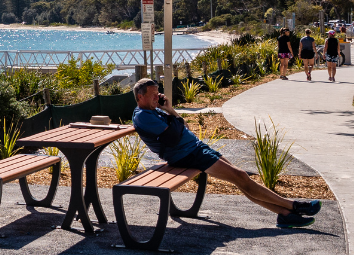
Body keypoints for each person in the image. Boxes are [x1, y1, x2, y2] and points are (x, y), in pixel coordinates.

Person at [130, 78, 319, 228]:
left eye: (157, 94)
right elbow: (173, 136)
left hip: (196, 148)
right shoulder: (143, 116)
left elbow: (183, 126)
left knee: (240, 178)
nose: (157, 98)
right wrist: (176, 122)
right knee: (240, 176)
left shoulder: (157, 111)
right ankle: (293, 206)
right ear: (140, 97)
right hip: (186, 155)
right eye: (153, 95)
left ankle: (285, 215)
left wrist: (170, 109)